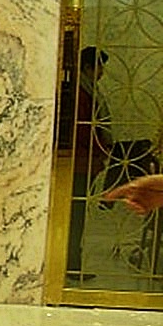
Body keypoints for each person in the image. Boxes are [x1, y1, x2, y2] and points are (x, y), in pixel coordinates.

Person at [65, 46, 111, 281]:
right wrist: (101, 148)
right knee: (76, 213)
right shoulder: (81, 94)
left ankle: (72, 261)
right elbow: (84, 130)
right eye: (99, 66)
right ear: (87, 68)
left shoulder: (88, 90)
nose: (102, 72)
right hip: (82, 161)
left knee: (78, 211)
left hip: (87, 160)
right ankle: (71, 263)